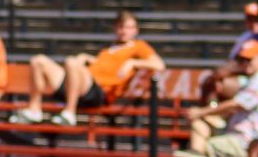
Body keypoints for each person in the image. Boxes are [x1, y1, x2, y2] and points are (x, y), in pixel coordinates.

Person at [11, 10, 165, 126]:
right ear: (115, 28)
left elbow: (159, 65)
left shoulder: (139, 47)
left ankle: (70, 113)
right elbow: (101, 66)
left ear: (135, 30)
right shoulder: (109, 49)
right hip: (81, 86)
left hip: (99, 92)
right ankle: (34, 109)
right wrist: (86, 57)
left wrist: (132, 63)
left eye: (129, 27)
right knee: (38, 60)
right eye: (121, 27)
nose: (124, 31)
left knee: (72, 62)